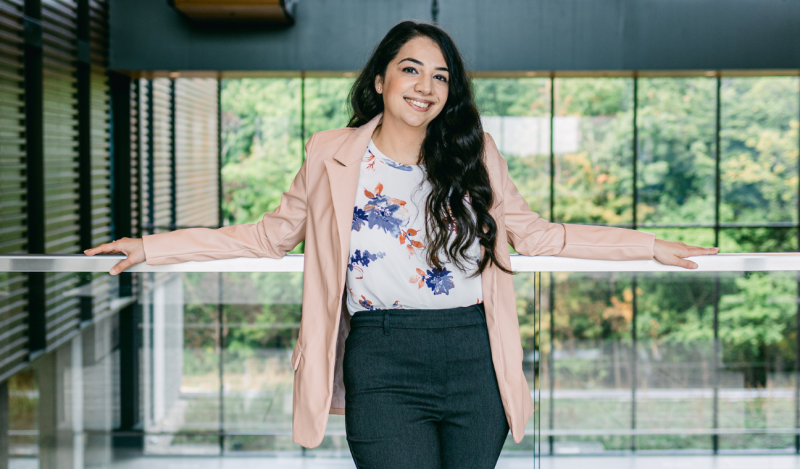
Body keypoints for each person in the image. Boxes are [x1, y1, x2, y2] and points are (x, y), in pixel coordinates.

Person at [86, 20, 718, 469]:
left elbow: (539, 235)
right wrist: (151, 247)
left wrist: (650, 247)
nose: (425, 85)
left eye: (440, 76)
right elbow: (267, 236)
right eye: (410, 69)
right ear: (383, 80)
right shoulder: (331, 153)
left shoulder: (476, 154)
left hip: (475, 356)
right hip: (383, 358)